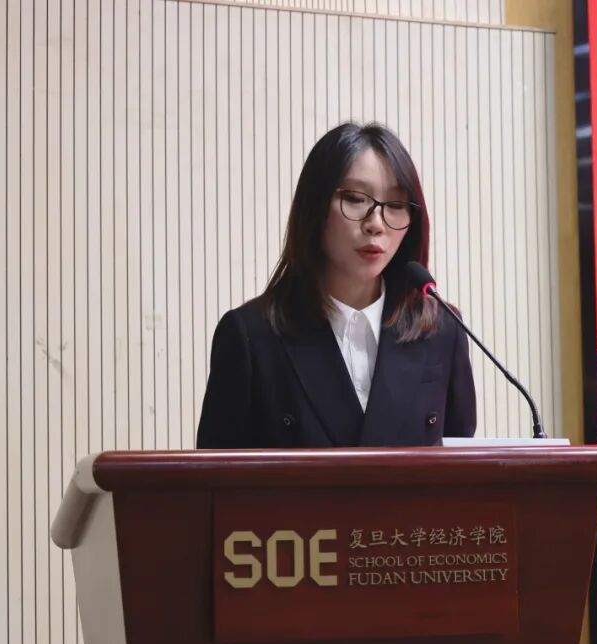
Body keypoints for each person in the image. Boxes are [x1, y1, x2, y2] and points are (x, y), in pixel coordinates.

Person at [196, 122, 476, 449]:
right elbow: (215, 475)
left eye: (396, 205)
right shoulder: (251, 335)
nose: (376, 224)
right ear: (314, 208)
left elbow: (462, 469)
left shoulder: (442, 330)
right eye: (355, 199)